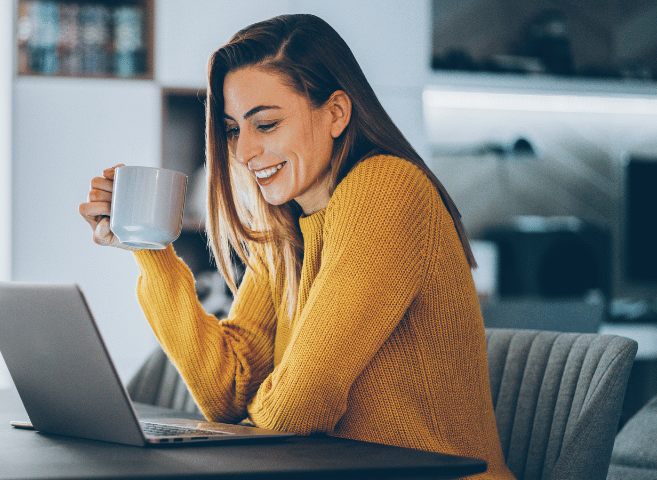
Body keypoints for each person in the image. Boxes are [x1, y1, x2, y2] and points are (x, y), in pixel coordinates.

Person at [79, 14, 512, 480]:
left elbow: (305, 400)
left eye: (264, 124)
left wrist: (236, 439)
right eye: (232, 130)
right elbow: (228, 392)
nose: (243, 152)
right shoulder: (289, 228)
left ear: (337, 113)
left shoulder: (387, 188)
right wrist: (149, 247)